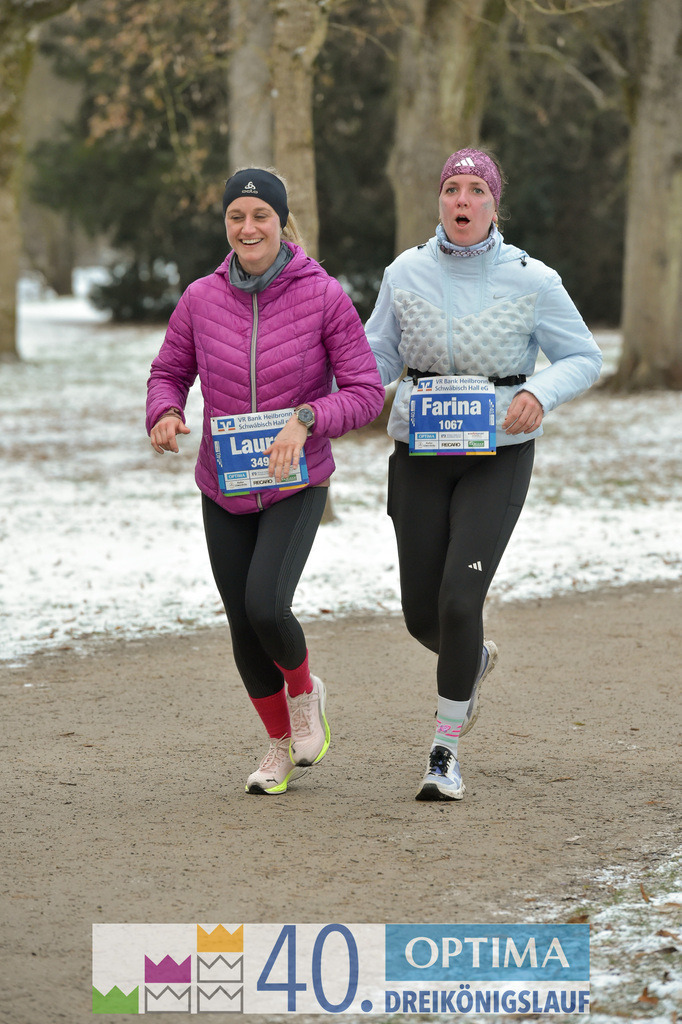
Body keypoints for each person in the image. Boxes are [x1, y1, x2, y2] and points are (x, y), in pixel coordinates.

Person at [365, 147, 602, 802]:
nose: (461, 201)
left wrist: (541, 394)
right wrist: (334, 395)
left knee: (460, 600)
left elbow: (582, 355)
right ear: (439, 201)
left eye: (475, 190)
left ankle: (444, 752)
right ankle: (473, 659)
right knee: (422, 617)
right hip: (420, 451)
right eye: (451, 189)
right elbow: (375, 355)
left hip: (498, 452)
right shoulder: (405, 272)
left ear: (495, 205)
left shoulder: (533, 279)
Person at [146, 168, 384, 795]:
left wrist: (307, 419)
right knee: (240, 620)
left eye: (261, 216)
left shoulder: (323, 295)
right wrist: (165, 413)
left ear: (282, 223)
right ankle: (278, 747)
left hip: (294, 482)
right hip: (224, 484)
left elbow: (364, 394)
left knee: (265, 605)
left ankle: (305, 693)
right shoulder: (200, 298)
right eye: (236, 217)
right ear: (226, 224)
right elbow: (168, 372)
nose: (248, 227)